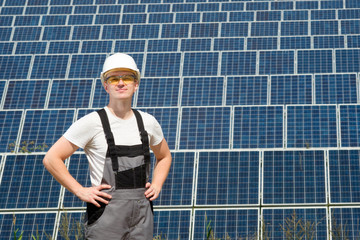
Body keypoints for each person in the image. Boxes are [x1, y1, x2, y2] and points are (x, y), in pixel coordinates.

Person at [43, 53, 172, 239]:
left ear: (136, 84)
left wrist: (158, 184)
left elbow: (164, 156)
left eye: (127, 77)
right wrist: (80, 190)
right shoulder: (91, 122)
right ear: (106, 86)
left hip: (143, 217)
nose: (121, 82)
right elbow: (51, 158)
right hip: (106, 218)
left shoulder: (148, 122)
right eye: (113, 78)